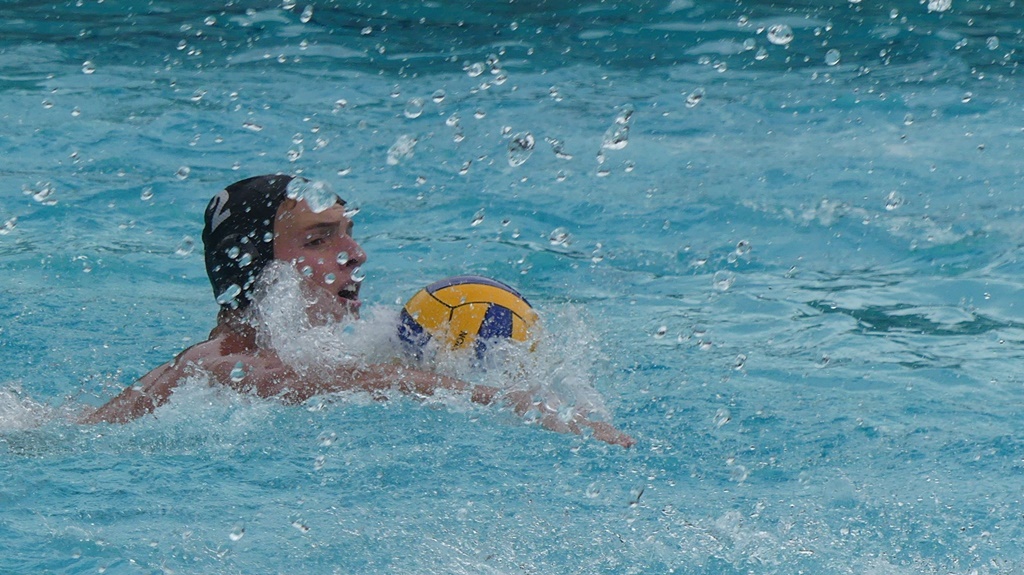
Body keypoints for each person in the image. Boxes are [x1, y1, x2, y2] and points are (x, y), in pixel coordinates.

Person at [82, 174, 635, 448]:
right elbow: (330, 378)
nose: (356, 254)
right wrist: (525, 406)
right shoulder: (224, 365)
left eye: (349, 232)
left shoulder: (290, 353)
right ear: (256, 267)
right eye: (320, 240)